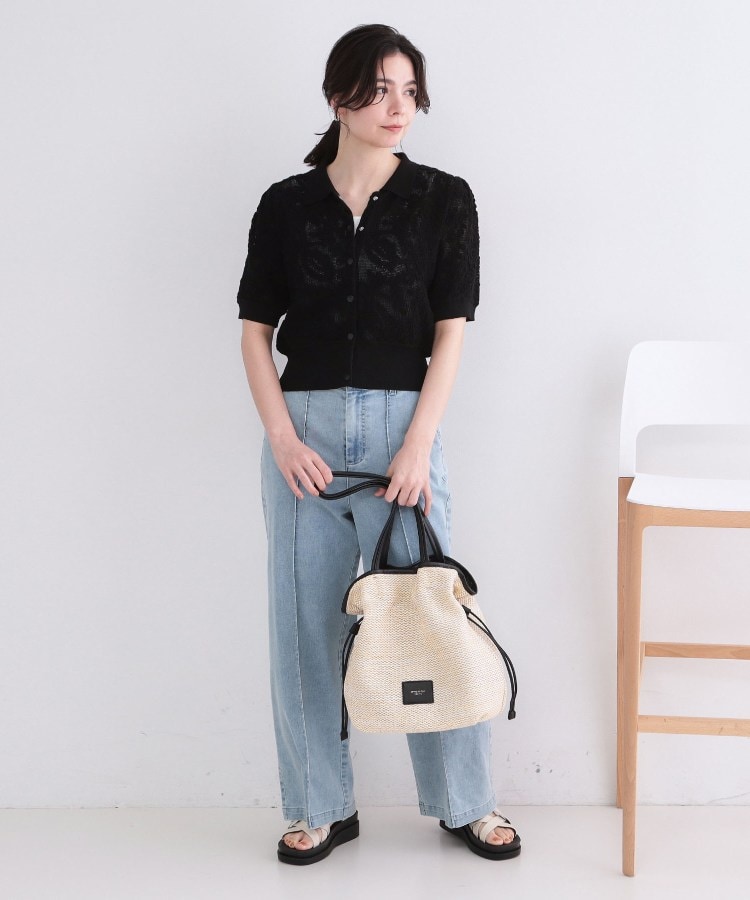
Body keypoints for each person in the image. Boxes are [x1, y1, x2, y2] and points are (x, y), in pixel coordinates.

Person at [237, 23, 520, 865]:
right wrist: (282, 437)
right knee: (303, 630)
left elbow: (452, 328)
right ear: (338, 98)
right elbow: (255, 331)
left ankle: (466, 802)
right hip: (305, 441)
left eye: (409, 90)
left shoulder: (443, 198)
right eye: (379, 89)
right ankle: (317, 806)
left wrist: (418, 443)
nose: (399, 107)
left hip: (405, 429)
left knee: (433, 613)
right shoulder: (285, 206)